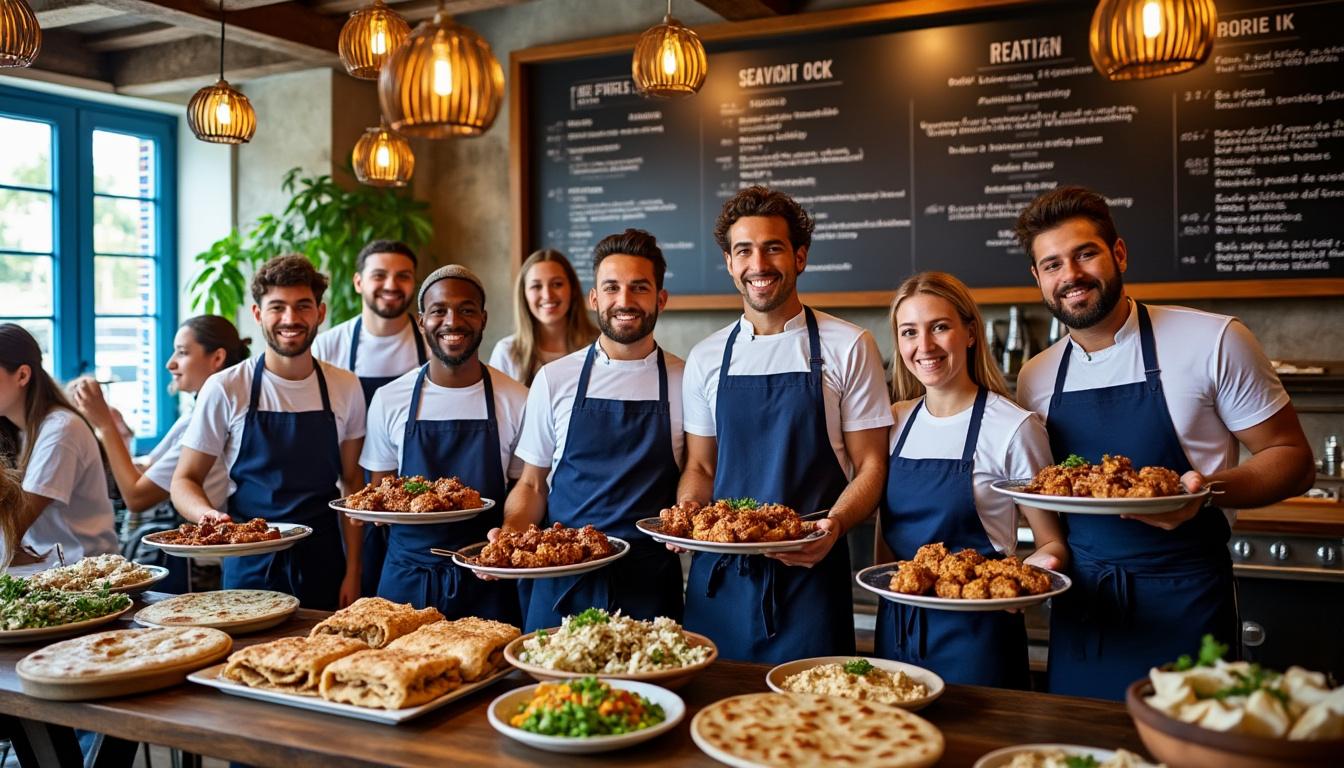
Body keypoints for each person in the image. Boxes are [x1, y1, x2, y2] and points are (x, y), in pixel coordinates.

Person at [1013, 186, 1315, 700]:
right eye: (1053, 264)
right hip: (1087, 610)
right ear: (1038, 278)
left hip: (1187, 601)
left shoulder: (1214, 339)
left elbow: (1293, 460)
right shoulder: (1036, 376)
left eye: (1085, 253)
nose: (1071, 275)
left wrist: (1205, 490)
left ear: (1119, 254)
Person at [676, 187, 893, 663]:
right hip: (720, 581)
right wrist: (688, 516)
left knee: (814, 724)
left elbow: (872, 465)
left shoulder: (850, 346)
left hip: (811, 577)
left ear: (799, 256)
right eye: (744, 251)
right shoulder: (707, 357)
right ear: (730, 264)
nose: (759, 263)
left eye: (773, 247)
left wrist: (832, 527)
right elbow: (699, 466)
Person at [876, 272, 1067, 688]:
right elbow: (884, 542)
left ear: (969, 333)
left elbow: (1052, 542)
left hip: (980, 630)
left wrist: (1025, 579)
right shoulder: (893, 421)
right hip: (899, 625)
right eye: (909, 332)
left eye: (939, 327)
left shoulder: (1014, 427)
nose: (924, 346)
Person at [499, 229, 686, 629]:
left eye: (639, 287)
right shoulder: (555, 379)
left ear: (661, 299)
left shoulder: (686, 380)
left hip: (649, 585)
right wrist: (510, 536)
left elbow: (700, 472)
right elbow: (532, 484)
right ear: (595, 299)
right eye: (612, 287)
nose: (625, 300)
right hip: (563, 580)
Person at [172, 255, 368, 610]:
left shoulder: (346, 386)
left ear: (320, 313)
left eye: (302, 306)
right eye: (277, 307)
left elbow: (352, 482)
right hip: (248, 561)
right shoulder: (227, 388)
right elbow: (184, 480)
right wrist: (207, 516)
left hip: (324, 561)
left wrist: (354, 569)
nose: (291, 319)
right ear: (258, 314)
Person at [360, 265, 528, 623]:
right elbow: (379, 490)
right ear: (421, 321)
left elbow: (523, 488)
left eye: (466, 310)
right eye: (438, 311)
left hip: (486, 573)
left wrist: (505, 541)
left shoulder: (517, 398)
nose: (452, 321)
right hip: (406, 576)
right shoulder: (390, 399)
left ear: (483, 319)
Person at [312, 240, 428, 596]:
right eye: (380, 275)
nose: (392, 285)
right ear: (359, 282)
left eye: (403, 276)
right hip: (351, 495)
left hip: (414, 495)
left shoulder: (430, 341)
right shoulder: (331, 345)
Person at [68, 315, 250, 514]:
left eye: (182, 353)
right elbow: (149, 470)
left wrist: (105, 424)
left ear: (217, 358)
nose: (170, 364)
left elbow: (136, 497)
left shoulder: (206, 423)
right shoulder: (192, 415)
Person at [0, 323, 118, 563]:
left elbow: (13, 527)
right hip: (47, 570)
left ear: (22, 375)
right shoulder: (18, 431)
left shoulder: (61, 430)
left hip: (87, 578)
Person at [488, 249, 598, 386]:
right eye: (536, 286)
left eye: (557, 284)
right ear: (524, 295)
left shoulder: (600, 347)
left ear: (573, 289)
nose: (547, 295)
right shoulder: (507, 352)